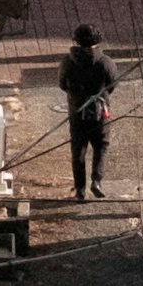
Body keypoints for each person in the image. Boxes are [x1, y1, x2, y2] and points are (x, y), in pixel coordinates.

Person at [58, 22, 116, 200]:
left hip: (77, 111)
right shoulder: (105, 62)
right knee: (101, 146)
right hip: (99, 111)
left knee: (78, 150)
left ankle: (80, 189)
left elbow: (62, 84)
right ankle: (96, 181)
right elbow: (112, 84)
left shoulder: (68, 61)